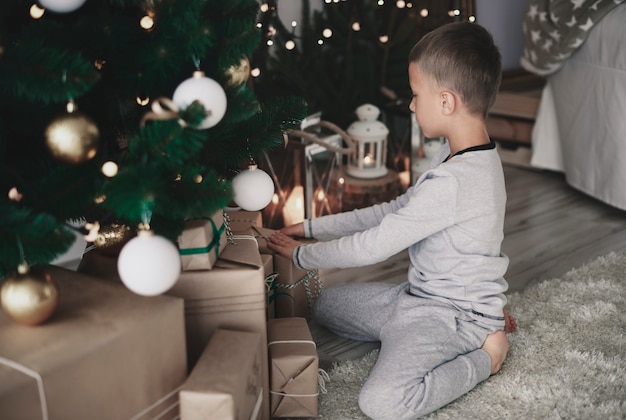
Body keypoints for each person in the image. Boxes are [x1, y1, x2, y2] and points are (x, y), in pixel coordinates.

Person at [268, 21, 511, 419]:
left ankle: (487, 353)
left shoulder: (457, 181)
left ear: (447, 102)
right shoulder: (457, 155)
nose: (412, 105)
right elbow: (392, 211)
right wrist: (311, 228)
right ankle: (416, 337)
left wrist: (301, 257)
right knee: (326, 305)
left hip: (453, 316)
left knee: (382, 403)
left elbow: (376, 244)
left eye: (416, 95)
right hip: (413, 300)